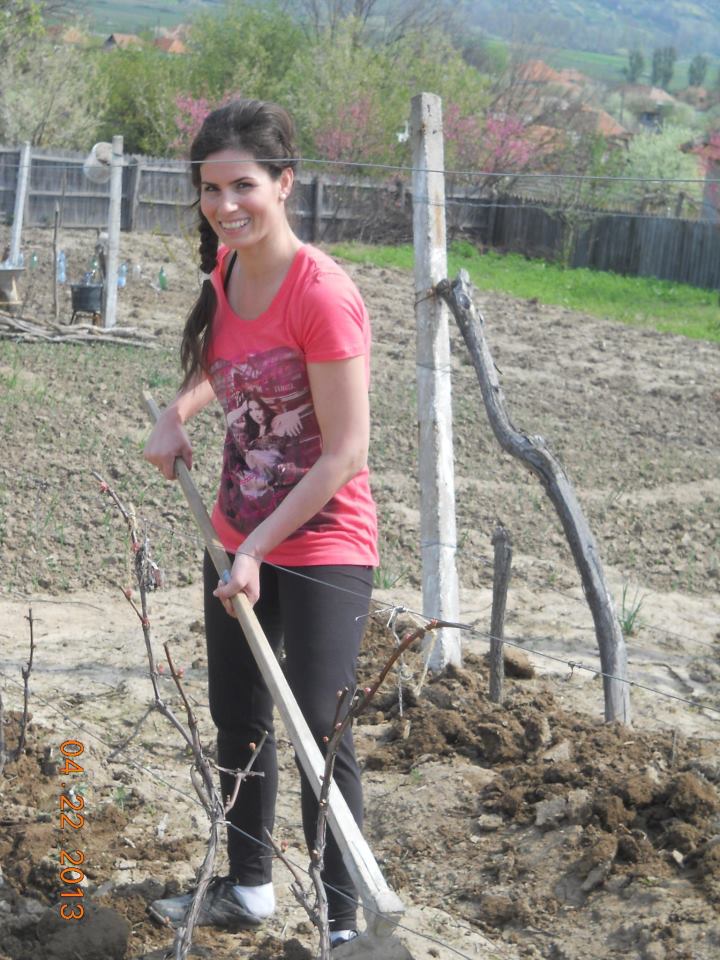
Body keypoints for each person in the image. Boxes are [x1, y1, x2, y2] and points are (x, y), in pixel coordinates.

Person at [143, 99, 378, 949]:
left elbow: (344, 453)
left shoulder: (324, 295)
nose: (224, 204)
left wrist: (258, 548)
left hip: (322, 540)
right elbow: (228, 363)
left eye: (242, 185)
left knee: (320, 727)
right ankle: (248, 890)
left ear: (284, 183)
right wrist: (179, 411)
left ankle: (344, 927)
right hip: (239, 530)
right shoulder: (228, 274)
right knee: (237, 714)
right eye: (210, 189)